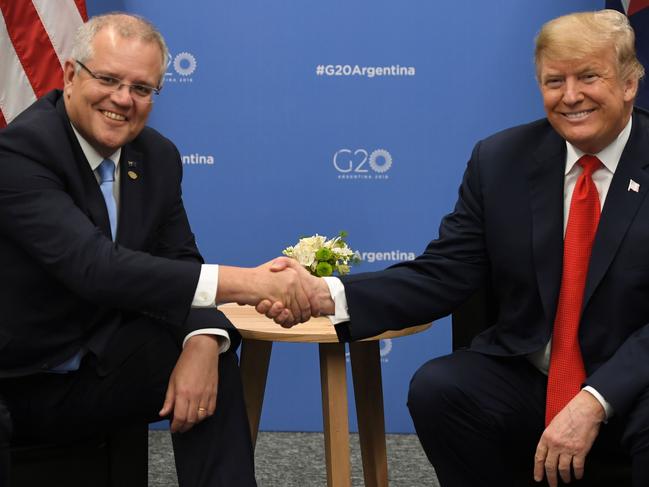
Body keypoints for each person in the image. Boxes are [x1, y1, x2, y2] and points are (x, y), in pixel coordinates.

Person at [261, 9, 649, 487]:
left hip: (634, 384)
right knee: (441, 389)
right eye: (554, 81)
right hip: (534, 374)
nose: (570, 97)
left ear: (630, 82)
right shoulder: (502, 160)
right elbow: (444, 272)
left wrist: (595, 399)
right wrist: (327, 295)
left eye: (589, 77)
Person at [0, 13, 312, 487]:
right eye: (108, 79)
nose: (123, 100)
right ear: (69, 75)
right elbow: (96, 268)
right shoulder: (22, 152)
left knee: (211, 353)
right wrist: (250, 284)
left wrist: (204, 338)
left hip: (96, 365)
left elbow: (179, 261)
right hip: (20, 382)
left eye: (142, 89)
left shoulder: (157, 156)